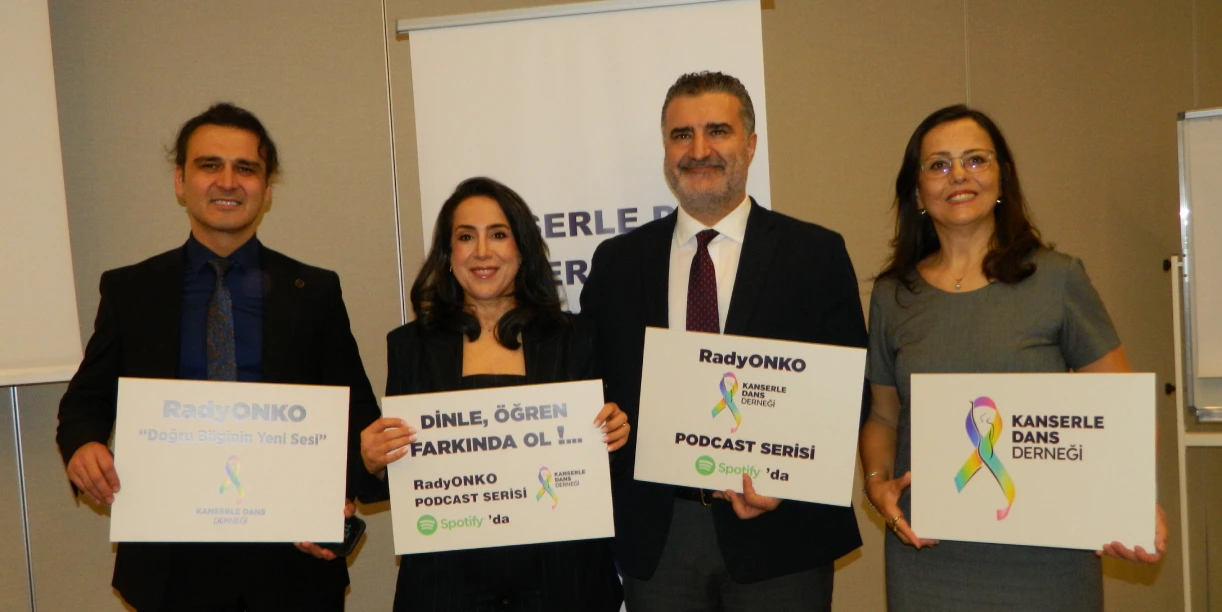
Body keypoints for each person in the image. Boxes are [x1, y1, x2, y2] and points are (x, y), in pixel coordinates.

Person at [56, 102, 381, 611]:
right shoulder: (131, 290)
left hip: (291, 560)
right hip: (171, 561)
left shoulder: (314, 291)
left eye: (245, 168)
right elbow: (84, 403)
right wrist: (83, 445)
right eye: (209, 165)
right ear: (180, 181)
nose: (227, 182)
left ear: (267, 189)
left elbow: (354, 411)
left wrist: (340, 493)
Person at [859, 104, 1168, 611]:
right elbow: (882, 417)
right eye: (938, 165)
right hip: (929, 556)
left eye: (975, 160)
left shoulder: (1058, 279)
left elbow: (1122, 410)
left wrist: (1127, 501)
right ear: (916, 192)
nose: (958, 175)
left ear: (1002, 176)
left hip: (1048, 559)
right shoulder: (894, 296)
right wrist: (877, 486)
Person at [580, 71, 868, 611]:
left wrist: (789, 479)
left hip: (781, 532)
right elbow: (589, 383)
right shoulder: (618, 262)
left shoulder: (814, 254)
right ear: (665, 151)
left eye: (718, 131)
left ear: (751, 145)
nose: (699, 150)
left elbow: (851, 393)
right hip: (660, 536)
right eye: (681, 135)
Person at [358, 176, 631, 611]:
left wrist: (614, 436)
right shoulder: (411, 346)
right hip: (447, 588)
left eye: (499, 235)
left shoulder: (575, 338)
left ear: (522, 249)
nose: (482, 252)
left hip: (561, 583)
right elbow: (406, 477)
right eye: (466, 237)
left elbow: (598, 473)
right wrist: (374, 461)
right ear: (449, 255)